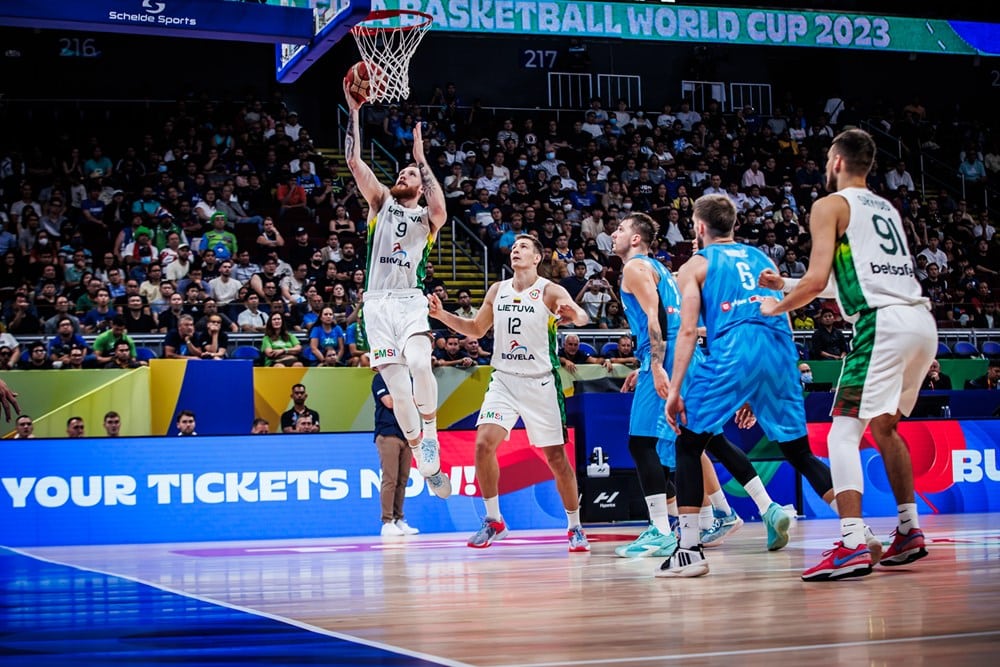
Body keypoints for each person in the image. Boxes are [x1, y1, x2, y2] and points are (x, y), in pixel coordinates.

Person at [758, 129, 938, 581]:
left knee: (842, 433)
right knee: (886, 426)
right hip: (920, 323)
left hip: (881, 325)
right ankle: (908, 530)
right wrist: (785, 284)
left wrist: (775, 307)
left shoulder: (829, 205)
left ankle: (853, 543)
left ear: (836, 160)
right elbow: (853, 276)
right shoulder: (886, 208)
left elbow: (818, 282)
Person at [663, 194, 836, 578]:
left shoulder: (695, 264)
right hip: (779, 351)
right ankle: (857, 531)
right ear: (733, 225)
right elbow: (783, 312)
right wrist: (754, 390)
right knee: (800, 454)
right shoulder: (763, 259)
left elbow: (688, 330)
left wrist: (675, 390)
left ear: (699, 227)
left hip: (734, 351)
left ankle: (688, 551)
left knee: (689, 444)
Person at [428, 234, 591, 552]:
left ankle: (575, 526)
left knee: (556, 459)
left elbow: (580, 314)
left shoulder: (549, 290)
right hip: (503, 380)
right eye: (514, 247)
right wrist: (441, 316)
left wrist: (574, 316)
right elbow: (476, 329)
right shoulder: (497, 290)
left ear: (537, 258)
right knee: (482, 445)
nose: (517, 250)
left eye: (524, 247)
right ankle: (494, 521)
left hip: (540, 382)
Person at [343, 78, 451, 499]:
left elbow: (441, 206)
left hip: (409, 300)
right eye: (402, 172)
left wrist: (421, 158)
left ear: (420, 186)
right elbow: (354, 161)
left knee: (422, 365)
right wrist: (353, 110)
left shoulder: (427, 218)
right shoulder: (380, 204)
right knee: (398, 389)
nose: (402, 176)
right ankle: (422, 448)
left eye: (409, 174)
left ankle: (432, 433)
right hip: (376, 306)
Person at [372, 369, 419, 537]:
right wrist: (408, 400)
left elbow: (419, 402)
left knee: (403, 479)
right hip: (388, 432)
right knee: (390, 479)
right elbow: (389, 402)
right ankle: (387, 521)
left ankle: (399, 519)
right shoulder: (379, 379)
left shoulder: (408, 379)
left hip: (407, 433)